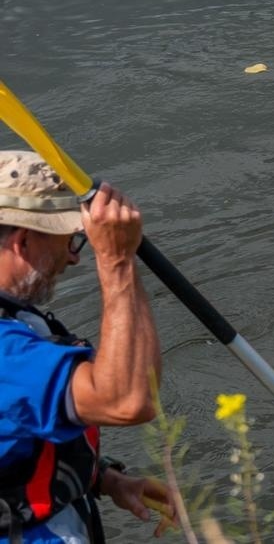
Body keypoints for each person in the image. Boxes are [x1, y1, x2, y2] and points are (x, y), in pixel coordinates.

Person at [0, 151, 169, 543]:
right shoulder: (7, 352)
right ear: (24, 241)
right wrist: (117, 261)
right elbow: (127, 400)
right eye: (70, 240)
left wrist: (102, 477)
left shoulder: (17, 318)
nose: (75, 257)